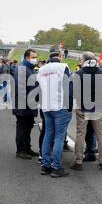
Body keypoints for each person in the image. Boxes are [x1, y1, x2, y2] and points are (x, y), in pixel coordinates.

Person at [71, 52, 102, 172]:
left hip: (83, 107)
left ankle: (78, 161)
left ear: (84, 60)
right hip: (98, 107)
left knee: (80, 134)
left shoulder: (78, 74)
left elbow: (75, 92)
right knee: (100, 134)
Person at [37, 49, 73, 178]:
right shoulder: (63, 67)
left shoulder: (41, 70)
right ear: (60, 56)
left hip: (46, 106)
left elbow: (39, 89)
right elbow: (68, 87)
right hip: (60, 105)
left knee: (48, 135)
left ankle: (45, 165)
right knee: (59, 137)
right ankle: (56, 167)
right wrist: (69, 106)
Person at [13, 49, 39, 159]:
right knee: (22, 128)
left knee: (28, 127)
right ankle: (21, 150)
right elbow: (21, 88)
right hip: (23, 104)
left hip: (29, 104)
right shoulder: (22, 68)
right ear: (27, 57)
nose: (35, 59)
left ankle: (27, 148)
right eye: (33, 57)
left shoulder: (30, 68)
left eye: (35, 57)